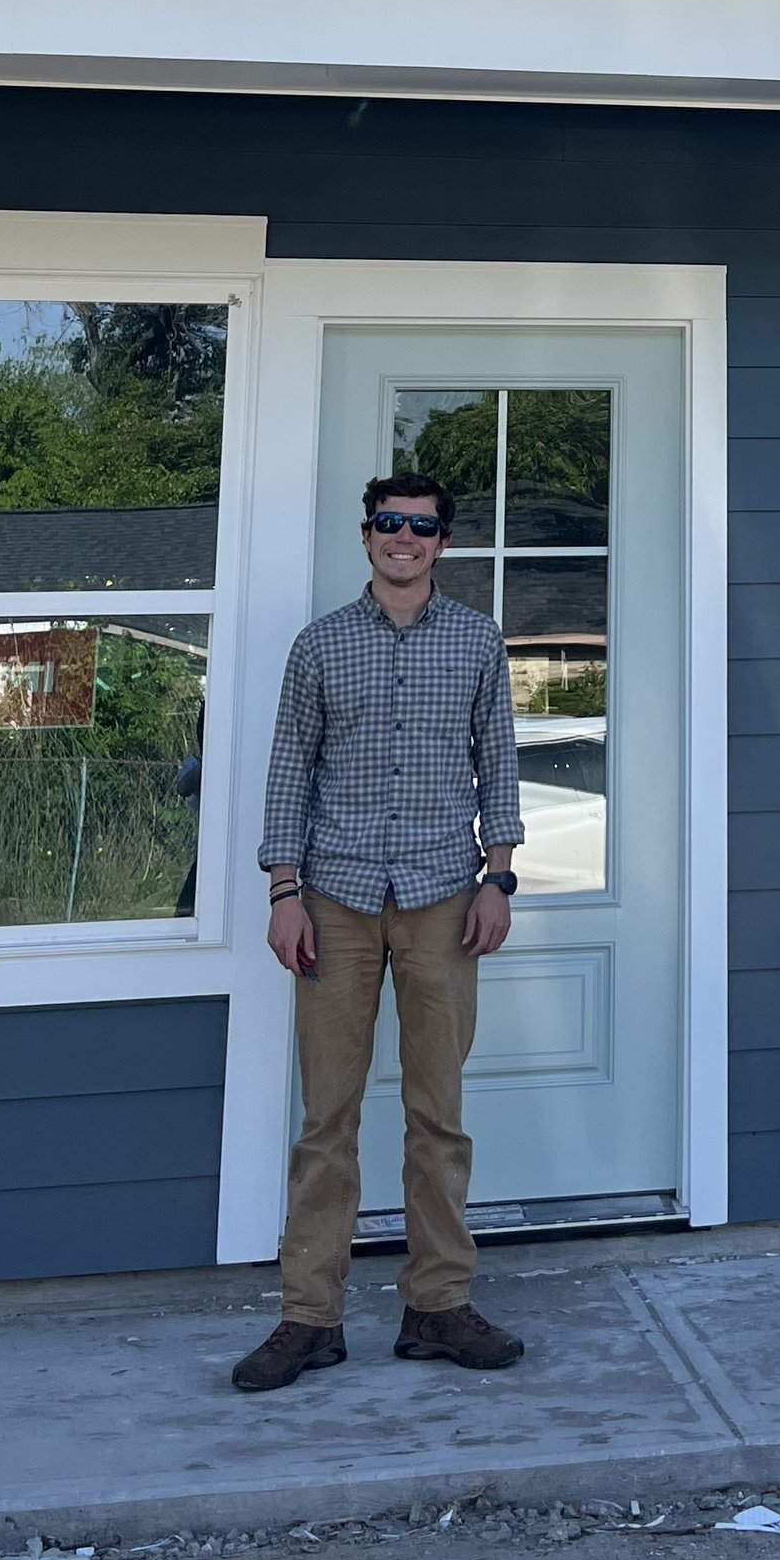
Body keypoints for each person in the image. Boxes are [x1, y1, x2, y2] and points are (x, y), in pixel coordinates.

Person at [231, 470, 527, 1392]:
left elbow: (500, 762)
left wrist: (500, 876)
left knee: (438, 1114)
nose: (404, 538)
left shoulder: (478, 640)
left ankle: (437, 1304)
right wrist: (284, 891)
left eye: (422, 526)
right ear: (367, 537)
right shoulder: (320, 646)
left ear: (442, 543)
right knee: (328, 1118)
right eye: (389, 524)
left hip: (445, 896)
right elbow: (289, 770)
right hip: (337, 902)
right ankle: (309, 1317)